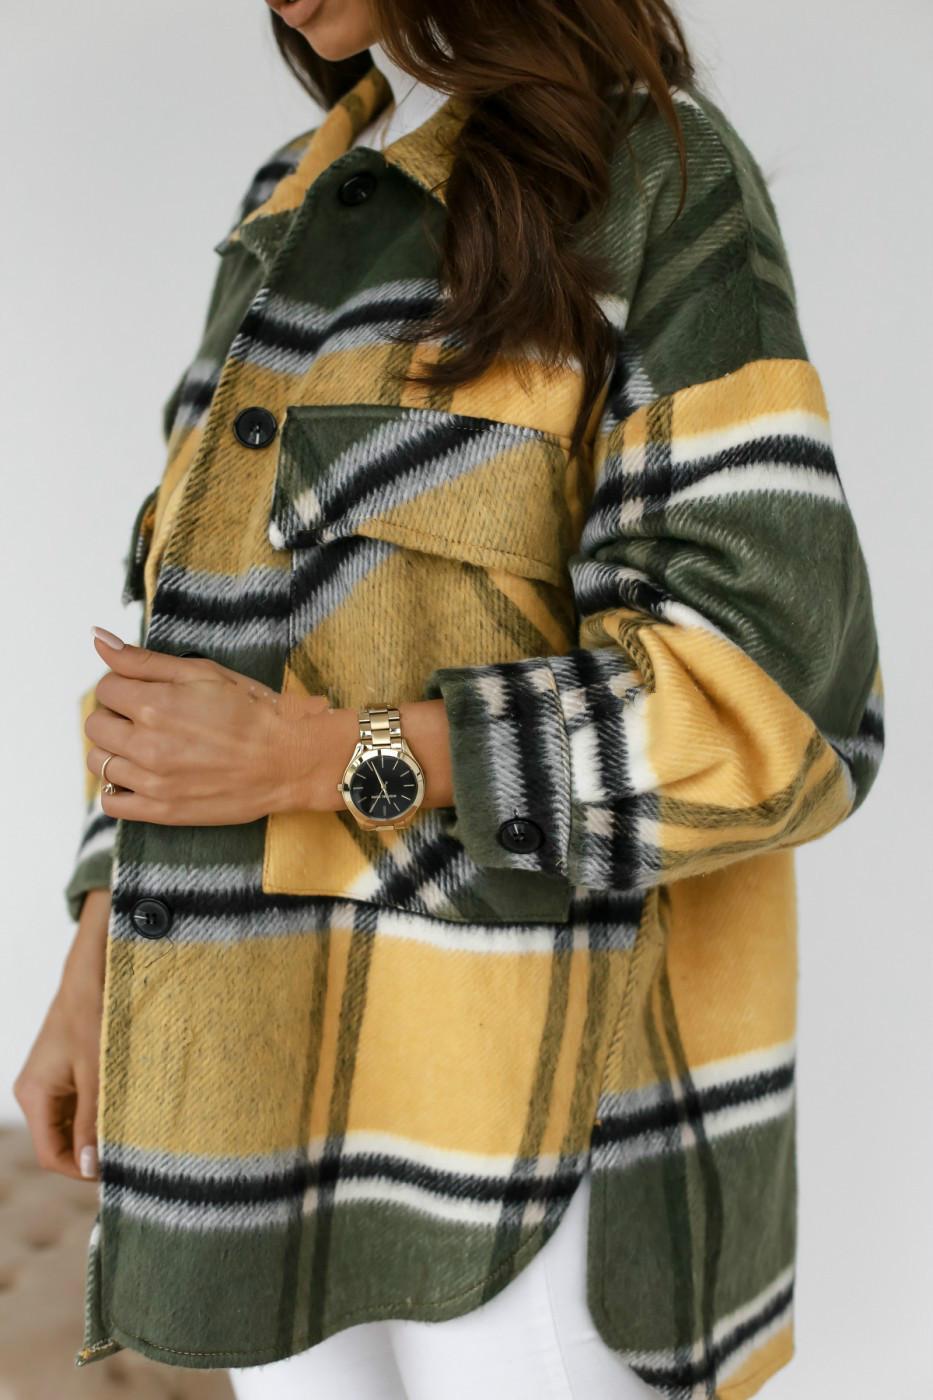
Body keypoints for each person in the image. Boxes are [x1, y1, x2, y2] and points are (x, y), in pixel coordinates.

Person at [13, 2, 884, 1398]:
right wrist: (95, 955)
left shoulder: (650, 180)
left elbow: (778, 697)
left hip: (535, 1121)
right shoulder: (287, 206)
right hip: (247, 1083)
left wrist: (324, 758)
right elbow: (180, 662)